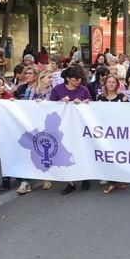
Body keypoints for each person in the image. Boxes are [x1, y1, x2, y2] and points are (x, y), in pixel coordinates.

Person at [50, 65, 93, 195]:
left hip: (80, 127)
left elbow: (92, 104)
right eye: (75, 79)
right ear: (67, 78)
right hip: (63, 127)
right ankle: (71, 182)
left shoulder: (84, 89)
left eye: (80, 78)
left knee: (81, 151)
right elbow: (50, 107)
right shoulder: (57, 89)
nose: (78, 81)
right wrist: (60, 103)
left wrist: (85, 102)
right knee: (66, 153)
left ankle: (85, 177)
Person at [97, 74, 129, 194]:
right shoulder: (100, 97)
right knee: (108, 155)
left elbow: (129, 114)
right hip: (105, 131)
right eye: (109, 82)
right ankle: (112, 181)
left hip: (119, 132)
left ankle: (122, 178)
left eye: (113, 82)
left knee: (120, 155)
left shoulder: (122, 97)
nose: (111, 84)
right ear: (105, 84)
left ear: (117, 84)